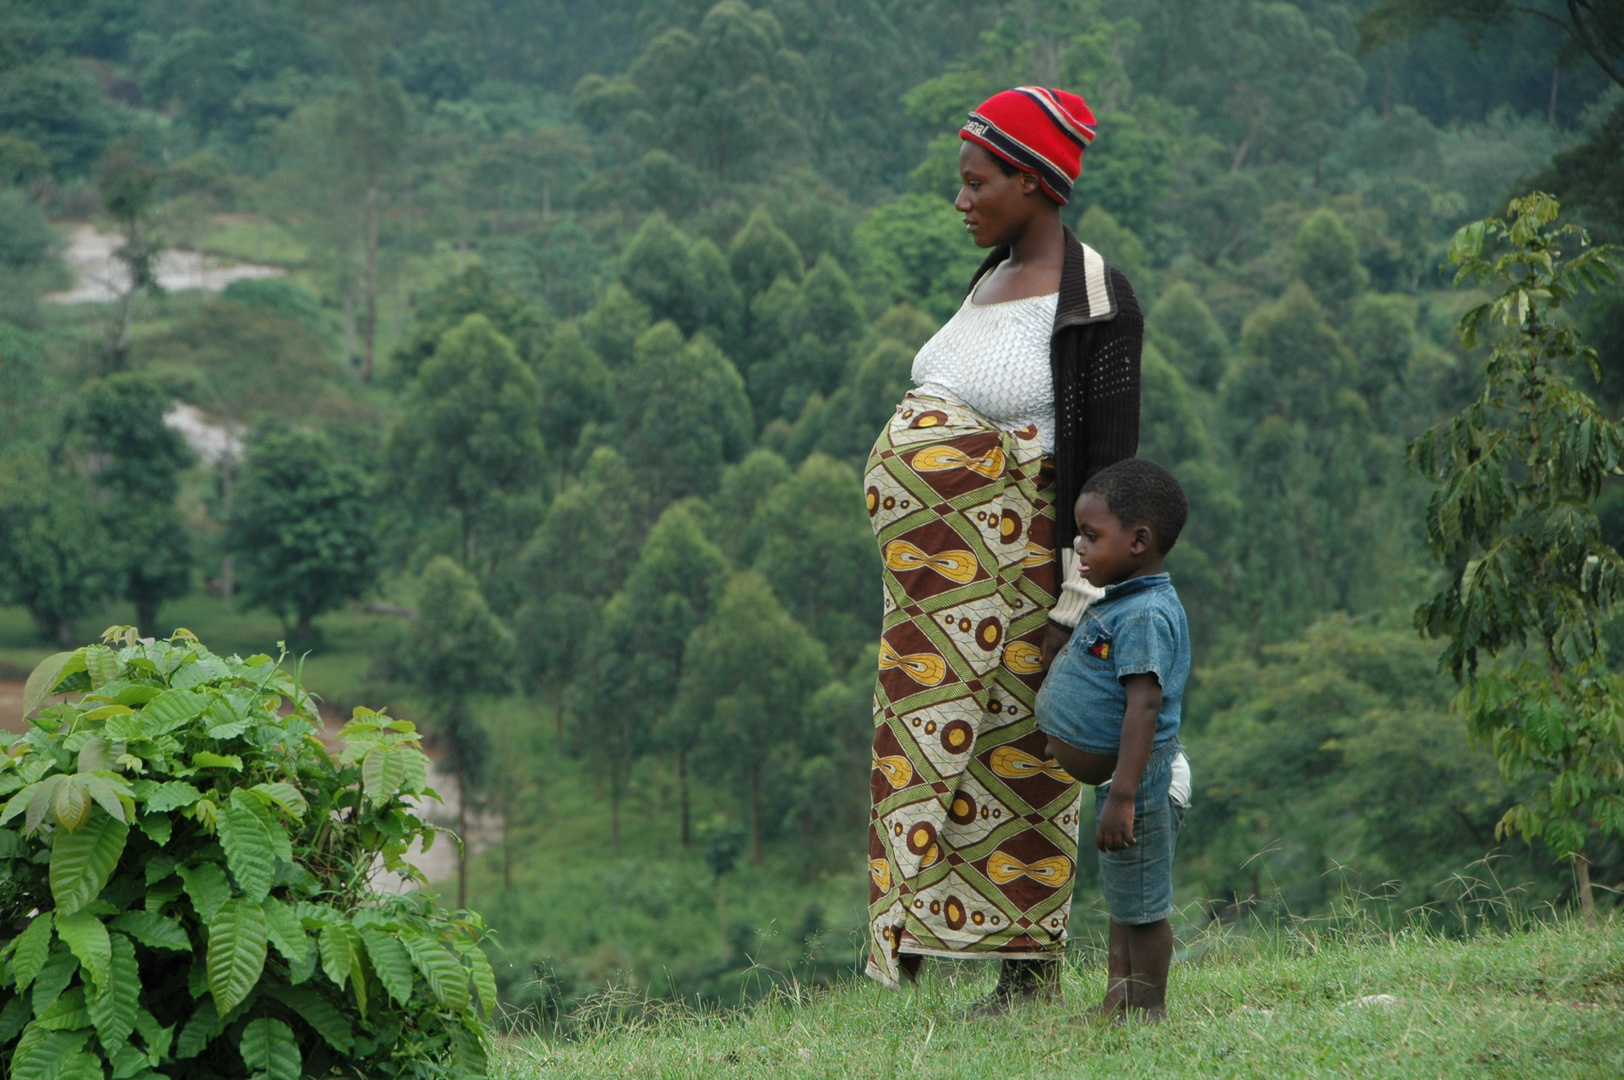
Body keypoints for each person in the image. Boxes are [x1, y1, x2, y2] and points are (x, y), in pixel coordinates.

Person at [863, 86, 1143, 1013]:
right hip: (940, 597)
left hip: (1028, 585)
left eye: (977, 182)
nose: (962, 199)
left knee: (1022, 766)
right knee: (940, 754)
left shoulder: (1097, 298)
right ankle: (934, 945)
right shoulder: (987, 276)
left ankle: (1026, 975)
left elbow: (1107, 468)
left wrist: (1078, 606)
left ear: (1032, 180)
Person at [1036, 458, 1192, 1022]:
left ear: (1139, 540)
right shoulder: (1120, 600)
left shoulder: (1146, 613)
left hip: (1143, 782)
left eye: (1091, 536)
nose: (1078, 548)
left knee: (1143, 907)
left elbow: (1143, 706)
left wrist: (1124, 796)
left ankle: (1146, 1008)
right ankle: (1118, 1001)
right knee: (1125, 900)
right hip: (1122, 781)